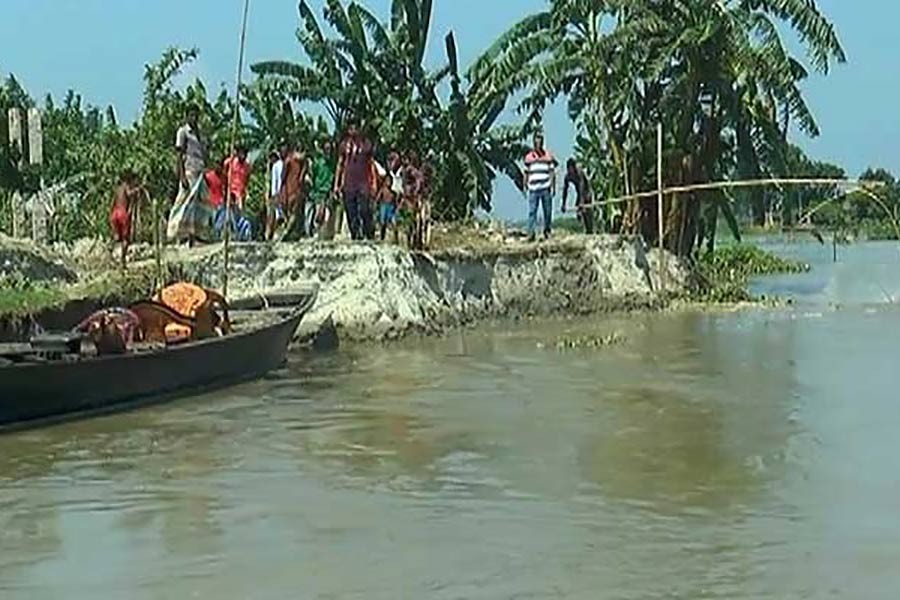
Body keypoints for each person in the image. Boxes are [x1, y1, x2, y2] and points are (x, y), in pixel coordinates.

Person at [168, 104, 213, 245]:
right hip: (189, 171)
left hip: (200, 172)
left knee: (199, 204)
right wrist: (181, 176)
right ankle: (175, 232)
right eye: (191, 115)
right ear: (187, 116)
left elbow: (205, 155)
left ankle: (196, 234)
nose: (194, 118)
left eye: (196, 115)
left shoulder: (200, 135)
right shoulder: (183, 132)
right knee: (183, 202)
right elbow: (179, 155)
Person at [334, 119, 375, 241]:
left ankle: (369, 232)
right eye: (351, 128)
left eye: (355, 128)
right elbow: (340, 164)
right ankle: (356, 235)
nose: (353, 131)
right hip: (348, 183)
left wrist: (373, 183)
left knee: (364, 209)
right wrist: (336, 184)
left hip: (363, 183)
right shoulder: (344, 145)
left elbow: (371, 164)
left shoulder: (366, 144)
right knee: (350, 211)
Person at [524, 132, 558, 242]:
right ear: (534, 143)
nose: (538, 144)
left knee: (547, 211)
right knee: (532, 212)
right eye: (536, 142)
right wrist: (525, 185)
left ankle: (547, 231)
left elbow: (552, 172)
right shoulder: (529, 157)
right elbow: (526, 172)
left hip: (545, 187)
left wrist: (553, 187)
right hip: (533, 188)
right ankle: (530, 233)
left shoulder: (548, 156)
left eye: (540, 141)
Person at [109, 170, 143, 268]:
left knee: (116, 237)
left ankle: (110, 255)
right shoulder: (126, 186)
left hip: (115, 213)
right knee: (126, 239)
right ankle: (123, 261)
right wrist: (137, 190)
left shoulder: (117, 189)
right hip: (122, 213)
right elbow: (129, 193)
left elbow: (113, 202)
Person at [310, 138, 337, 240]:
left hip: (328, 194)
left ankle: (325, 239)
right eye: (326, 149)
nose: (328, 151)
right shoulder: (318, 163)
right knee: (319, 217)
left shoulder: (332, 164)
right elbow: (313, 177)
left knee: (328, 218)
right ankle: (320, 238)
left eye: (329, 149)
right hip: (319, 194)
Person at [281, 142, 309, 241]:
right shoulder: (301, 162)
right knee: (293, 213)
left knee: (293, 213)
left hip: (293, 190)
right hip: (294, 190)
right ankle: (291, 232)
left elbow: (283, 177)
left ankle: (287, 232)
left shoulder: (290, 160)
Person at [562, 158, 595, 234]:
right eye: (569, 169)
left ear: (574, 168)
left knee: (587, 212)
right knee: (580, 213)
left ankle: (590, 230)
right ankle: (585, 229)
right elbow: (565, 191)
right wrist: (563, 204)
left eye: (572, 169)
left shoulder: (579, 173)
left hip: (587, 192)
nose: (571, 171)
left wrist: (582, 202)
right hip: (579, 193)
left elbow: (582, 187)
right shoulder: (567, 176)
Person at [378, 151, 404, 242]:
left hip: (392, 204)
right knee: (383, 222)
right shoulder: (387, 175)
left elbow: (398, 192)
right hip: (385, 203)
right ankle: (382, 237)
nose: (390, 163)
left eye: (392, 161)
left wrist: (398, 203)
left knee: (393, 221)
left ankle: (395, 238)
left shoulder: (400, 174)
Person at [267, 149, 285, 241]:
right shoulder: (280, 164)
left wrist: (274, 194)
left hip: (278, 193)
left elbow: (275, 181)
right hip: (281, 193)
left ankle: (275, 234)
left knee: (277, 215)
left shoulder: (277, 165)